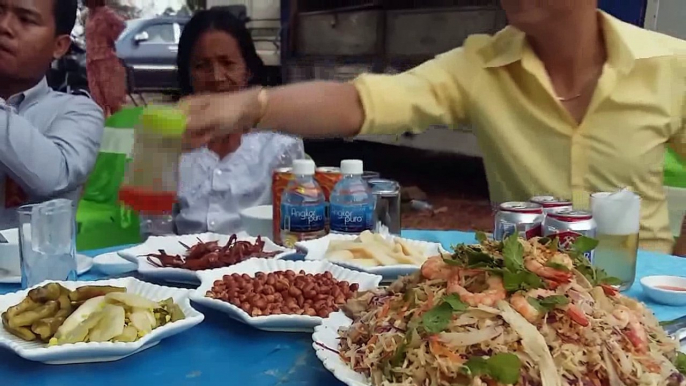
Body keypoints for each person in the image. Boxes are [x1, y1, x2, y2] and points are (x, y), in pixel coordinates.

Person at [181, 1, 686, 256]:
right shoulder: (477, 69)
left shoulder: (671, 65)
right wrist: (250, 105)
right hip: (529, 304)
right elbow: (360, 101)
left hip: (648, 305)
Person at [174, 9, 304, 235]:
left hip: (258, 266)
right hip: (180, 264)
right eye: (201, 66)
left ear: (248, 69)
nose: (216, 76)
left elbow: (295, 228)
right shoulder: (173, 142)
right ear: (187, 73)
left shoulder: (280, 145)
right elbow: (156, 225)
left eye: (228, 63)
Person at [0, 0, 104, 229]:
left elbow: (53, 177)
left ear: (59, 45)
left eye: (25, 19)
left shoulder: (78, 112)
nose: (4, 26)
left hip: (30, 264)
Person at [84, 0, 126, 116]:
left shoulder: (105, 12)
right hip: (91, 61)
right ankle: (102, 129)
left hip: (105, 60)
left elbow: (121, 24)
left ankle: (119, 128)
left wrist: (112, 37)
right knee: (97, 100)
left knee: (112, 99)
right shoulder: (87, 15)